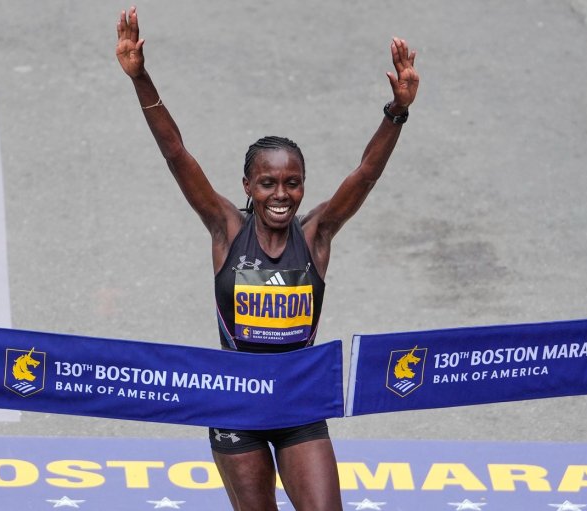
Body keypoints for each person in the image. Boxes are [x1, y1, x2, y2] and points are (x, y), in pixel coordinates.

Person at [116, 6, 419, 510]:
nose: (281, 194)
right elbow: (177, 154)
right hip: (235, 404)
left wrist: (397, 111)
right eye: (268, 183)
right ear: (248, 187)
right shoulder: (225, 229)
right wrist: (140, 77)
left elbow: (365, 173)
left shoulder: (317, 235)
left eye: (292, 183)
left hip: (299, 403)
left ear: (303, 186)